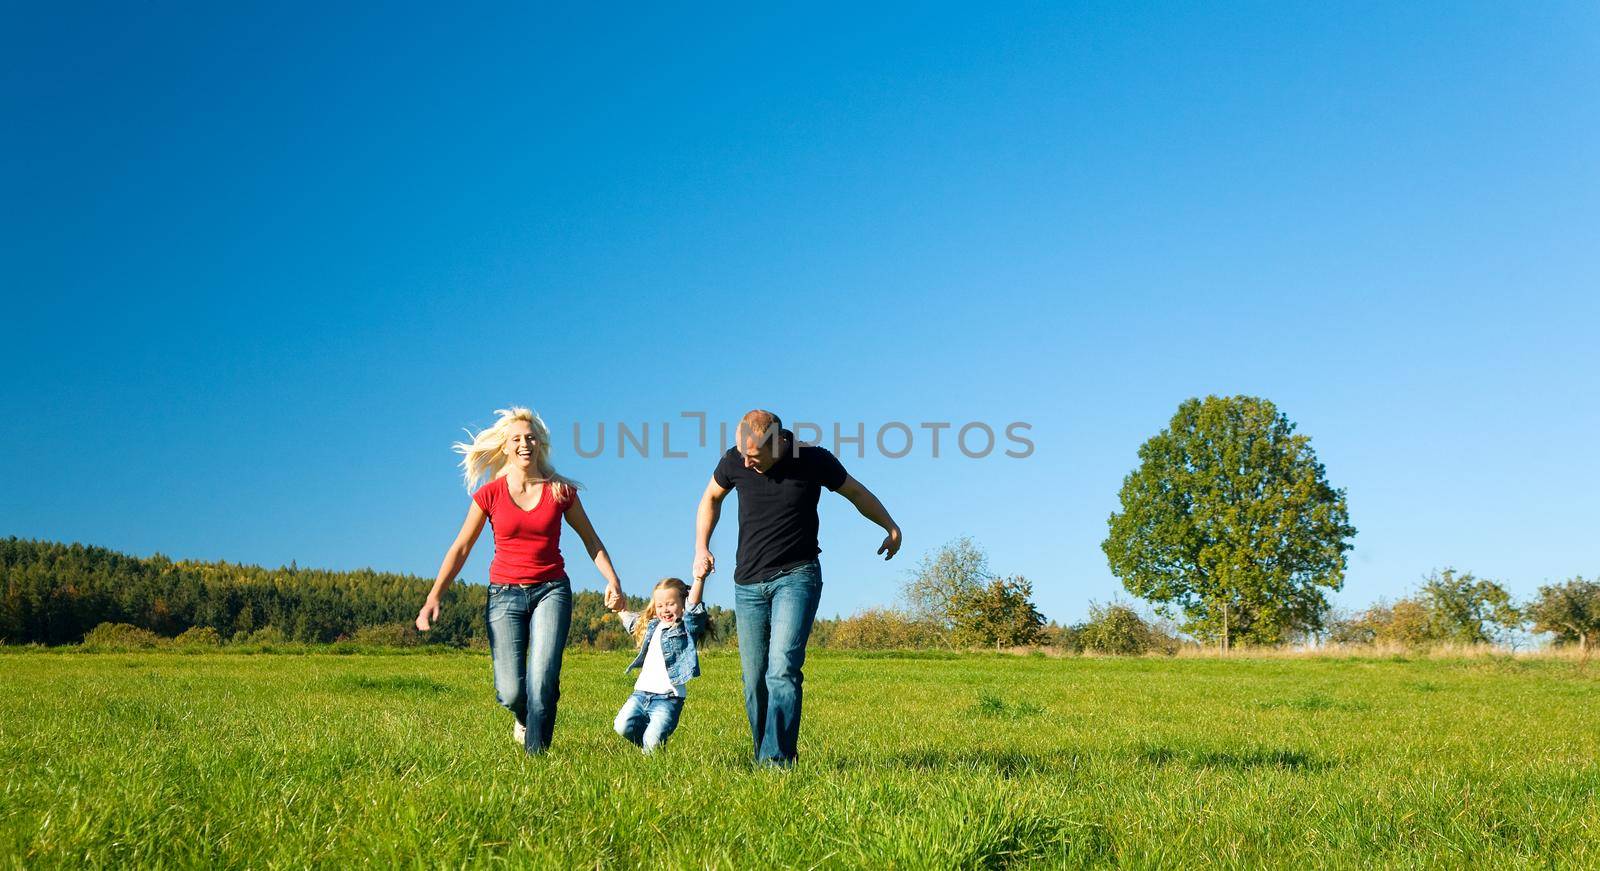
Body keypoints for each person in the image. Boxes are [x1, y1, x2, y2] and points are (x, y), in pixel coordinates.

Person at [693, 409, 901, 766]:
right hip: (747, 584)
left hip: (797, 575)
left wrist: (890, 526)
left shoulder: (813, 459)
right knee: (754, 680)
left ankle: (777, 763)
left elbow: (855, 492)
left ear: (778, 442)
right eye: (743, 453)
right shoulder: (734, 460)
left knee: (782, 668)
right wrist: (701, 545)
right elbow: (711, 497)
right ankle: (764, 754)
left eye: (754, 456)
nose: (746, 461)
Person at [415, 407, 628, 754]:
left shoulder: (560, 491)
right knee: (511, 691)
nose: (524, 444)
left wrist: (613, 580)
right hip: (504, 595)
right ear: (505, 447)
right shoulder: (490, 494)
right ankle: (524, 717)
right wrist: (434, 596)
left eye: (530, 437)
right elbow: (461, 547)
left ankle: (536, 760)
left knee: (542, 680)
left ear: (539, 442)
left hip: (551, 590)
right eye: (516, 439)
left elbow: (592, 540)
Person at [611, 577, 710, 753]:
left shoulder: (685, 630)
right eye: (660, 605)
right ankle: (648, 748)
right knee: (621, 726)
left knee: (653, 741)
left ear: (683, 604)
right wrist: (619, 609)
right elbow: (632, 623)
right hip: (641, 694)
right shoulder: (652, 626)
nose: (665, 609)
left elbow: (694, 610)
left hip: (668, 699)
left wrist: (699, 579)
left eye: (670, 604)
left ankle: (651, 754)